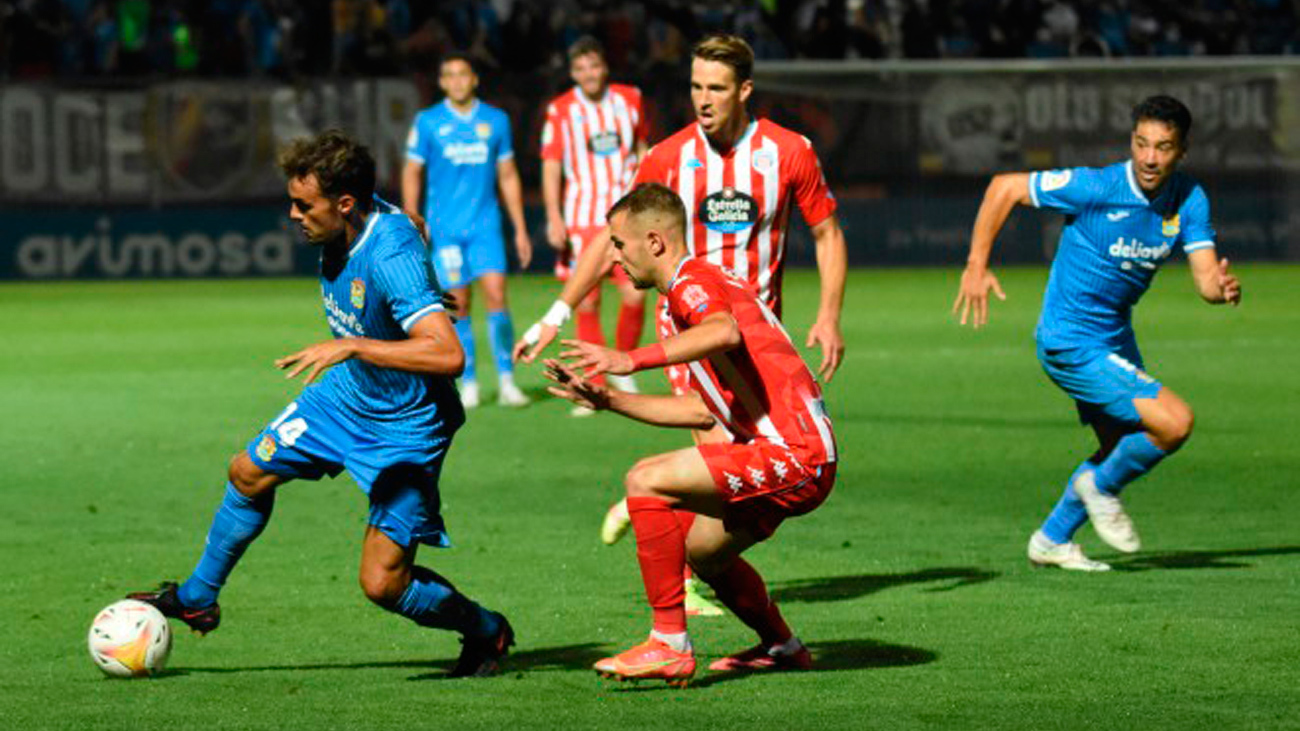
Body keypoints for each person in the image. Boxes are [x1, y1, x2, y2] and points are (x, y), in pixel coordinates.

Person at [129, 130, 515, 677]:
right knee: (247, 472)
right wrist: (418, 293)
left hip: (407, 425)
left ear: (345, 204)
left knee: (382, 584)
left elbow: (449, 353)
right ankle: (197, 596)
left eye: (303, 204)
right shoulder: (373, 220)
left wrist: (358, 338)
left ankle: (486, 630)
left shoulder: (390, 252)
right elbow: (410, 224)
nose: (292, 214)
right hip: (346, 395)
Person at [517, 34, 848, 611]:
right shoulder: (668, 156)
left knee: (745, 465)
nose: (703, 98)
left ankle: (671, 527)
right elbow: (612, 236)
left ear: (745, 90)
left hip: (757, 339)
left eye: (715, 87)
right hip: (692, 338)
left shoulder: (789, 151)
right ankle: (681, 581)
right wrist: (557, 311)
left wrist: (829, 314)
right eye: (695, 85)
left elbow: (827, 232)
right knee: (717, 449)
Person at [545, 183, 838, 685]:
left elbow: (723, 331)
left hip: (796, 451)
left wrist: (627, 359)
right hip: (794, 449)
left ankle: (669, 644)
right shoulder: (686, 293)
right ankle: (782, 646)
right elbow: (705, 412)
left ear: (654, 242)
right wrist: (609, 399)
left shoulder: (689, 284)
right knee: (703, 551)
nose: (614, 259)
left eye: (619, 244)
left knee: (645, 479)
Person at [953, 95, 1242, 571]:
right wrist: (976, 266)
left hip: (1114, 338)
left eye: (1163, 147)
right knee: (1174, 422)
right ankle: (1101, 488)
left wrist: (1221, 288)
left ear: (1181, 151)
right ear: (1131, 141)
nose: (1150, 158)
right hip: (1070, 340)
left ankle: (1052, 539)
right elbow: (1003, 187)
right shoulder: (1097, 185)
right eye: (1142, 143)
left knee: (1121, 445)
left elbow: (1206, 280)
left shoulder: (1189, 198)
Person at [403, 51, 532, 409]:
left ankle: (507, 380)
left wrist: (520, 228)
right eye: (450, 76)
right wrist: (413, 216)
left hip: (485, 227)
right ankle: (470, 380)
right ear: (442, 82)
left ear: (474, 79)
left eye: (463, 74)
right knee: (457, 304)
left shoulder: (496, 120)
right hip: (445, 230)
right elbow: (412, 170)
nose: (457, 81)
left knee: (496, 294)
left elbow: (508, 175)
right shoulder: (428, 122)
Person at [541, 35, 651, 404]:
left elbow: (642, 150)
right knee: (586, 302)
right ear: (573, 73)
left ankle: (623, 365)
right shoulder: (560, 110)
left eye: (594, 65)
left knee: (635, 294)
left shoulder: (630, 99)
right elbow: (552, 165)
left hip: (626, 216)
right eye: (581, 68)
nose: (589, 73)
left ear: (605, 67)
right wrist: (554, 217)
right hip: (581, 217)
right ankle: (594, 381)